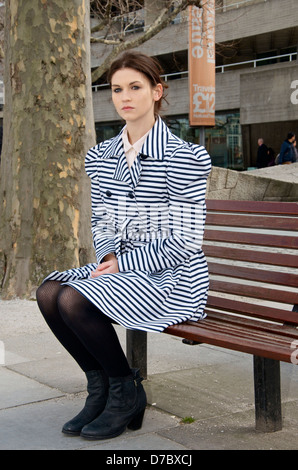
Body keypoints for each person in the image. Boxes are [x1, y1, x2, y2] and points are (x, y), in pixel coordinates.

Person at [36, 51, 211, 441]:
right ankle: (101, 390)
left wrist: (125, 264)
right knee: (49, 292)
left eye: (135, 87)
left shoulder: (185, 157)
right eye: (117, 89)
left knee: (72, 300)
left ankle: (124, 390)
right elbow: (102, 222)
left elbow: (185, 240)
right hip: (122, 268)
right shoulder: (101, 156)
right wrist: (110, 256)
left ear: (156, 91)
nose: (124, 97)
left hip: (172, 274)